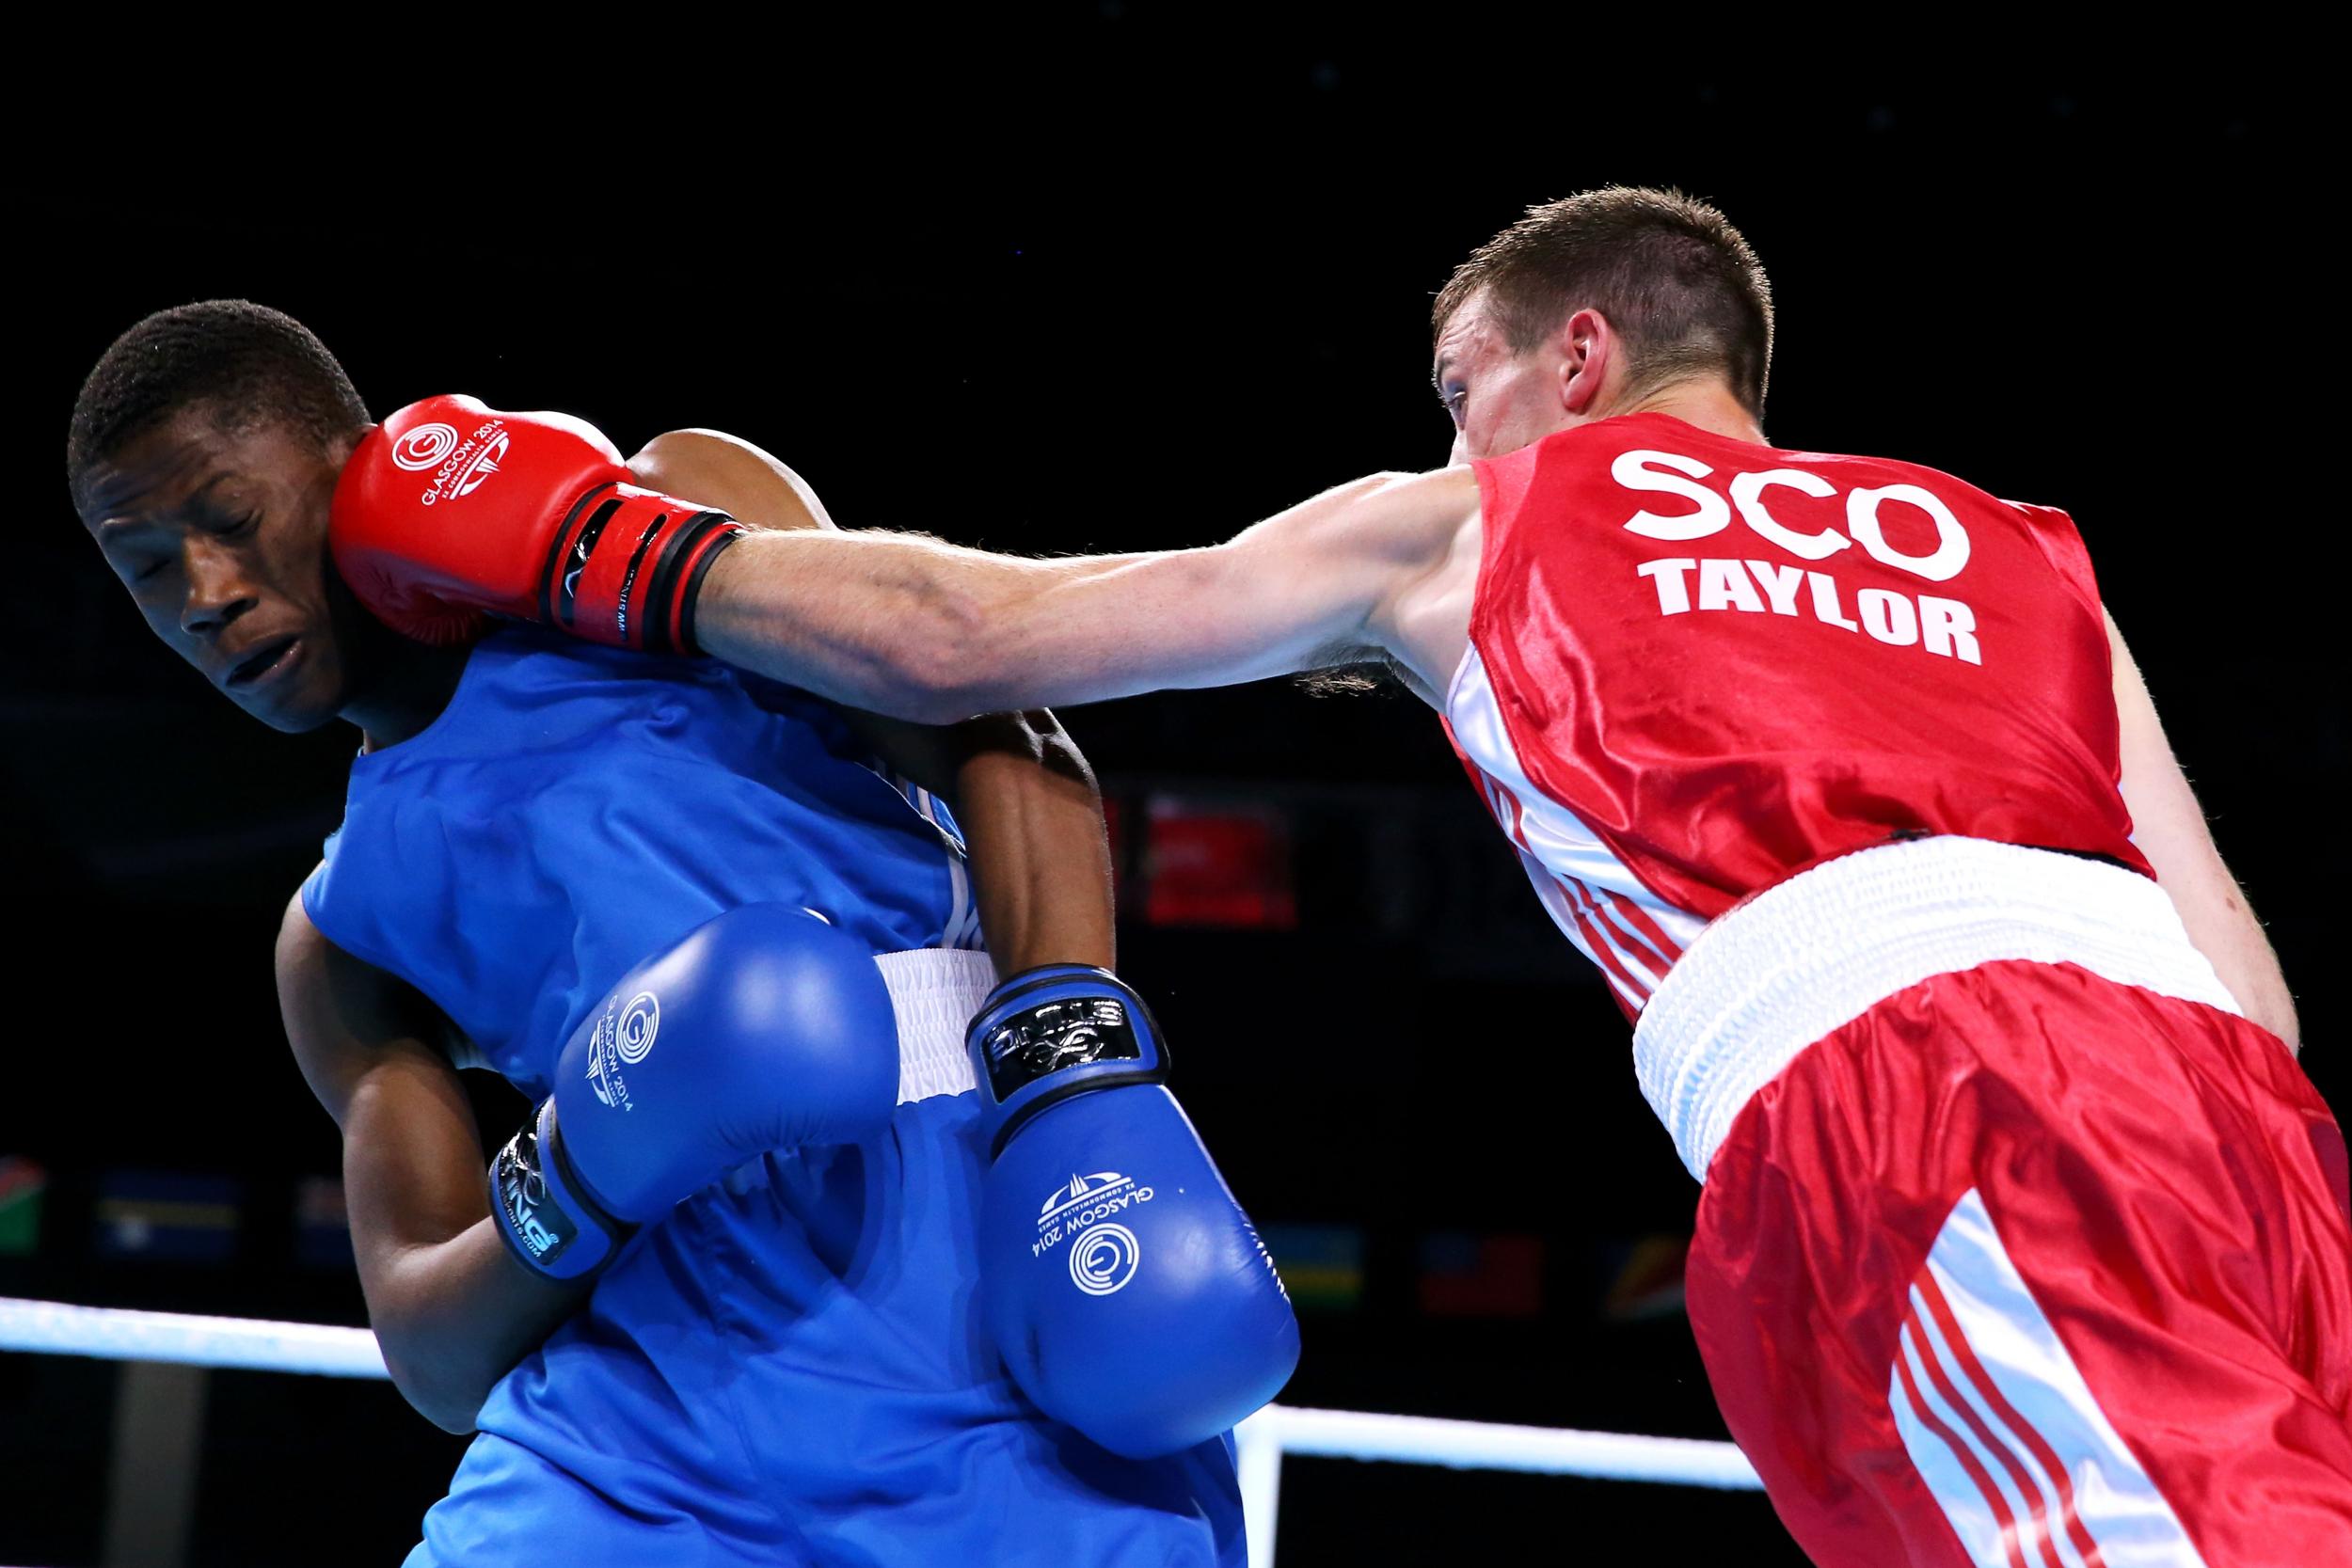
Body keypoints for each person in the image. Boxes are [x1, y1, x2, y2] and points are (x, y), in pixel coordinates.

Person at [342, 187, 2352, 1564]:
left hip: (1917, 1111)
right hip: (2228, 1133)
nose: (1448, 419)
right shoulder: (2022, 543)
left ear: (1572, 356)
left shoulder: (1474, 516)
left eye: (1458, 380)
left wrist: (604, 547)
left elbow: (976, 650)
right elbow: (2235, 979)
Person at [67, 301, 1296, 1566]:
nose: (205, 596)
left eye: (228, 519)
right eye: (148, 565)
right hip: (641, 1437)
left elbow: (997, 719)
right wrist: (583, 1170)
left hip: (991, 1298)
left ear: (356, 464)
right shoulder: (340, 936)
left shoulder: (669, 499)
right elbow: (433, 1355)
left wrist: (1073, 1071)